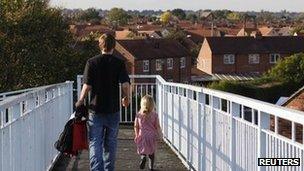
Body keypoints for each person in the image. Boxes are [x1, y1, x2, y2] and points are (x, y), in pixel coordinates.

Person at [76, 33, 130, 171]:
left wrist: (81, 100)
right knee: (110, 143)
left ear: (100, 45)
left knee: (95, 142)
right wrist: (126, 97)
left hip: (96, 109)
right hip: (113, 109)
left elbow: (87, 86)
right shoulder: (119, 63)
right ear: (114, 46)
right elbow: (125, 84)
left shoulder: (92, 62)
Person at [134, 95, 162, 170]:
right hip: (151, 136)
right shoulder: (155, 115)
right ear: (153, 105)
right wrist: (160, 135)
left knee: (142, 150)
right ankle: (151, 168)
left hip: (142, 135)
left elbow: (136, 126)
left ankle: (143, 157)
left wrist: (136, 135)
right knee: (151, 153)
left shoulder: (139, 115)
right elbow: (157, 126)